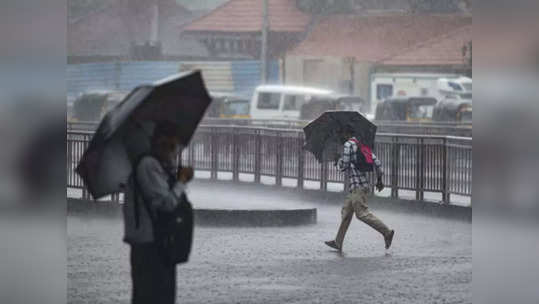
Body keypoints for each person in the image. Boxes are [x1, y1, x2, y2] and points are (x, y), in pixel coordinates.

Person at [122, 122, 194, 304]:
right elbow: (166, 204)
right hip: (150, 245)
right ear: (156, 142)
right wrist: (181, 181)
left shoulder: (156, 165)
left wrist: (174, 173)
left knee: (159, 296)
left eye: (174, 147)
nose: (173, 151)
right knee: (153, 296)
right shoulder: (148, 165)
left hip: (158, 243)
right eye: (169, 146)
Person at [325, 129, 395, 252]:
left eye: (341, 135)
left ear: (346, 133)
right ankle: (338, 242)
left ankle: (387, 232)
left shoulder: (347, 145)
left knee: (362, 214)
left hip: (357, 187)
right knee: (346, 213)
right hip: (359, 187)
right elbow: (377, 163)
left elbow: (344, 166)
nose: (340, 138)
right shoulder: (361, 145)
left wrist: (338, 161)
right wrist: (379, 180)